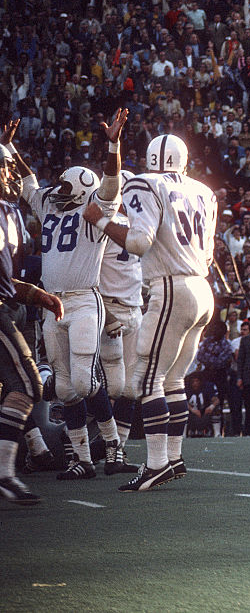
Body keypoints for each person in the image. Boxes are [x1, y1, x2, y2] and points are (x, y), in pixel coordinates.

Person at [84, 132, 220, 490]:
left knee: (146, 379)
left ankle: (157, 463)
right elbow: (208, 255)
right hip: (203, 290)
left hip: (172, 287)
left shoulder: (146, 183)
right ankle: (173, 459)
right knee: (172, 378)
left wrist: (99, 220)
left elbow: (138, 243)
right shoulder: (204, 191)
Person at [17, 109, 126, 479]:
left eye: (67, 188)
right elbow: (28, 183)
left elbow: (112, 184)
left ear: (81, 190)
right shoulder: (50, 203)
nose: (60, 192)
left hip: (83, 300)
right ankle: (83, 459)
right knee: (64, 388)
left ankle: (113, 447)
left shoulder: (94, 210)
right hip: (53, 303)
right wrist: (8, 149)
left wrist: (113, 144)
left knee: (83, 381)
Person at [0, 124, 64, 505]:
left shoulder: (9, 213)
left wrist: (39, 295)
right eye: (4, 170)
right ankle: (5, 474)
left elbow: (10, 282)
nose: (9, 177)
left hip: (8, 304)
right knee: (28, 385)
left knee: (15, 389)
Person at [97, 168, 144, 471]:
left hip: (134, 308)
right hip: (110, 308)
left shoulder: (135, 225)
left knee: (131, 388)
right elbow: (86, 273)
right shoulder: (104, 227)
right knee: (109, 386)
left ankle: (118, 450)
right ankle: (105, 442)